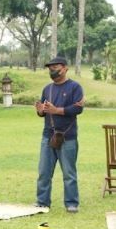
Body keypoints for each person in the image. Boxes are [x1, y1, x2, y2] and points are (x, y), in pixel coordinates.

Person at [34, 56, 84, 213]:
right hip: (48, 135)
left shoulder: (75, 87)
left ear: (65, 68)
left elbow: (77, 109)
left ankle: (71, 203)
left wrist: (58, 110)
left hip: (67, 137)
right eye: (50, 68)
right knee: (44, 172)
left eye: (55, 67)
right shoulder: (47, 89)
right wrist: (41, 111)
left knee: (69, 173)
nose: (52, 70)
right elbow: (44, 112)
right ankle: (42, 202)